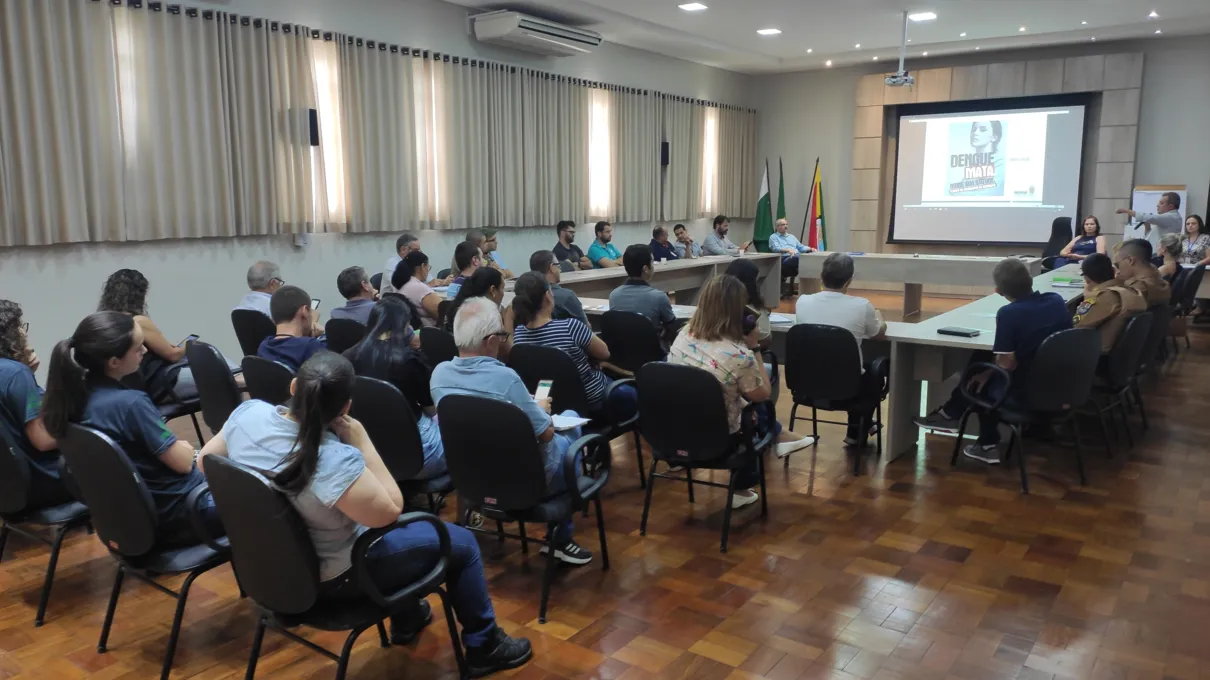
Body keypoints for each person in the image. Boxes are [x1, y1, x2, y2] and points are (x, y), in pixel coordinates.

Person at [198, 352, 533, 675]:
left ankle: (407, 616)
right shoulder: (332, 460)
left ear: (292, 387)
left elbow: (206, 463)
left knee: (391, 536)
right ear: (345, 407)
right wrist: (362, 442)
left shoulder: (248, 414)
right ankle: (484, 646)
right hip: (336, 580)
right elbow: (388, 513)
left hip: (271, 569)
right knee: (459, 542)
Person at [430, 297, 593, 566]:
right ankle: (561, 537)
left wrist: (522, 406)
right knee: (571, 422)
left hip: (473, 476)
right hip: (525, 478)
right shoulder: (505, 379)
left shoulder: (439, 375)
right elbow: (546, 434)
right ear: (491, 340)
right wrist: (538, 408)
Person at [42, 312, 223, 546]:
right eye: (138, 348)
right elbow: (182, 463)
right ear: (114, 362)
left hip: (135, 522)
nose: (146, 351)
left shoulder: (71, 400)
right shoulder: (130, 404)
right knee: (270, 499)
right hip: (183, 513)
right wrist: (186, 449)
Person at [668, 276, 814, 507]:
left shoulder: (683, 334)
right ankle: (741, 488)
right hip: (717, 440)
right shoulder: (738, 355)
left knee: (741, 404)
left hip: (672, 431)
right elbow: (763, 394)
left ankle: (778, 436)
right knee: (753, 412)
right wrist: (754, 347)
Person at [913, 259, 1072, 464]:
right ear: (1031, 280)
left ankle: (986, 443)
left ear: (998, 291)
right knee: (982, 359)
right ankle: (951, 414)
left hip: (1029, 395)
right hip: (1063, 388)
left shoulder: (1009, 313)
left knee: (980, 382)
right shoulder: (1056, 300)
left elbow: (1007, 365)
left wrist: (986, 374)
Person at [511, 273, 638, 421]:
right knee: (636, 394)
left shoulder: (519, 334)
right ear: (547, 296)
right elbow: (604, 353)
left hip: (551, 405)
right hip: (593, 400)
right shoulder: (571, 327)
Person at [343, 300, 445, 481]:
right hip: (418, 454)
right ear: (404, 325)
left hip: (368, 449)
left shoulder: (348, 356)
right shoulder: (408, 360)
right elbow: (431, 409)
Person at [99, 269, 235, 403]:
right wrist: (188, 343)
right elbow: (173, 355)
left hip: (139, 387)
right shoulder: (138, 321)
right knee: (226, 375)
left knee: (224, 368)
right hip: (163, 384)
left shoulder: (106, 321)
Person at [792, 254, 888, 446]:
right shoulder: (862, 306)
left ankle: (859, 427)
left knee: (841, 367)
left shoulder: (802, 301)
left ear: (822, 275)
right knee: (876, 370)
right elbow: (878, 334)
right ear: (849, 280)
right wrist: (880, 316)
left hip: (807, 385)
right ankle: (857, 429)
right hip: (849, 390)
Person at [0, 300, 72, 508]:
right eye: (21, 327)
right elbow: (44, 440)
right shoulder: (15, 373)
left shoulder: (14, 373)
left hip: (9, 488)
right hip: (45, 481)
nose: (24, 332)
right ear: (10, 333)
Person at [1072, 253, 1146, 353]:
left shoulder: (1101, 297)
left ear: (1087, 279)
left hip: (1097, 355)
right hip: (1123, 353)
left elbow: (1076, 327)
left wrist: (1087, 298)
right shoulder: (1131, 290)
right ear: (1113, 271)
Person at [609, 245, 678, 340]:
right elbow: (672, 328)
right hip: (653, 353)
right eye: (652, 263)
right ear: (646, 269)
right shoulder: (659, 297)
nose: (653, 266)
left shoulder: (613, 296)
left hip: (622, 352)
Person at [259, 286, 328, 372]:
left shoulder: (264, 346)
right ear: (305, 311)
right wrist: (324, 335)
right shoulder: (310, 346)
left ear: (272, 318)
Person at [442, 268, 510, 341]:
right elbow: (506, 348)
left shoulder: (458, 307)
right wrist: (509, 319)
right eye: (502, 288)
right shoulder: (489, 317)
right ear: (493, 290)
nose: (503, 293)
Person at [530, 250, 588, 324]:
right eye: (558, 265)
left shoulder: (526, 296)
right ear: (551, 268)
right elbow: (585, 327)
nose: (560, 270)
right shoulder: (567, 296)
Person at [1113, 239, 1171, 307]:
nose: (1118, 270)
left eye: (1117, 265)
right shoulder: (1163, 283)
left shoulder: (1137, 289)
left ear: (1130, 260)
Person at [392, 251, 442, 328]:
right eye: (428, 268)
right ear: (422, 266)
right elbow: (442, 313)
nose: (428, 271)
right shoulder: (419, 288)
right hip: (431, 331)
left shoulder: (402, 284)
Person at [1118, 191, 1184, 242]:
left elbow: (1148, 217)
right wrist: (1147, 225)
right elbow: (1151, 236)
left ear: (1170, 206)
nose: (1157, 205)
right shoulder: (1167, 218)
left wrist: (1127, 211)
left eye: (1161, 203)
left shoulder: (1171, 217)